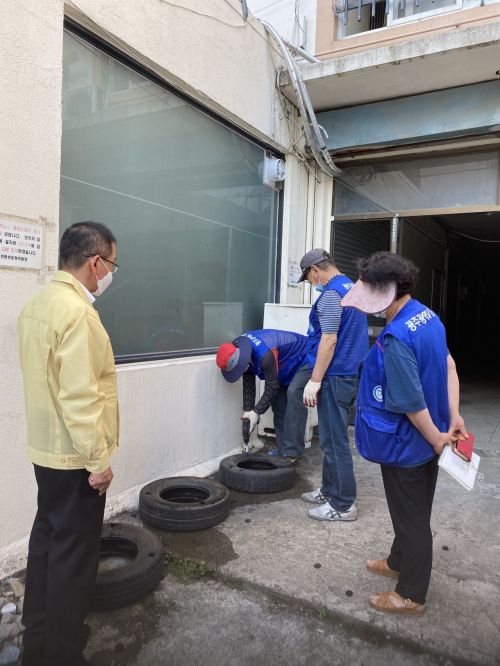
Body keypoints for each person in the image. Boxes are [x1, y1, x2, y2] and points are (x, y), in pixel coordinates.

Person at [341, 251, 466, 616]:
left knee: (412, 521)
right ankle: (398, 560)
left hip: (408, 444)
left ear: (387, 291)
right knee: (412, 511)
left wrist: (434, 437)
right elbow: (449, 366)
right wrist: (453, 418)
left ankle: (410, 595)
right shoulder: (428, 317)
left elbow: (411, 402)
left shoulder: (395, 337)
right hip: (429, 440)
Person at [18, 221, 120, 666]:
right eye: (112, 263)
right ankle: (62, 654)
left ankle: (35, 643)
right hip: (75, 457)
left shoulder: (38, 305)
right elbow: (79, 397)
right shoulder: (78, 313)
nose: (111, 273)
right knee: (73, 560)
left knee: (45, 544)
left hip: (45, 450)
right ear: (95, 262)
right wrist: (98, 461)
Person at [298, 249, 368, 521]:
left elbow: (329, 340)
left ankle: (343, 504)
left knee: (335, 441)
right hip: (347, 373)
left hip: (335, 375)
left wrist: (314, 381)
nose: (311, 283)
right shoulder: (350, 288)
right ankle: (329, 490)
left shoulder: (331, 296)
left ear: (315, 270)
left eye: (309, 278)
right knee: (329, 438)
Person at [216, 329, 309, 462]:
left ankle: (293, 454)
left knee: (294, 394)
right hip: (285, 365)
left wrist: (257, 412)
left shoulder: (264, 355)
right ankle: (284, 451)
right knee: (278, 403)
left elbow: (272, 386)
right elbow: (249, 383)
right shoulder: (240, 350)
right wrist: (248, 411)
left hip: (305, 357)